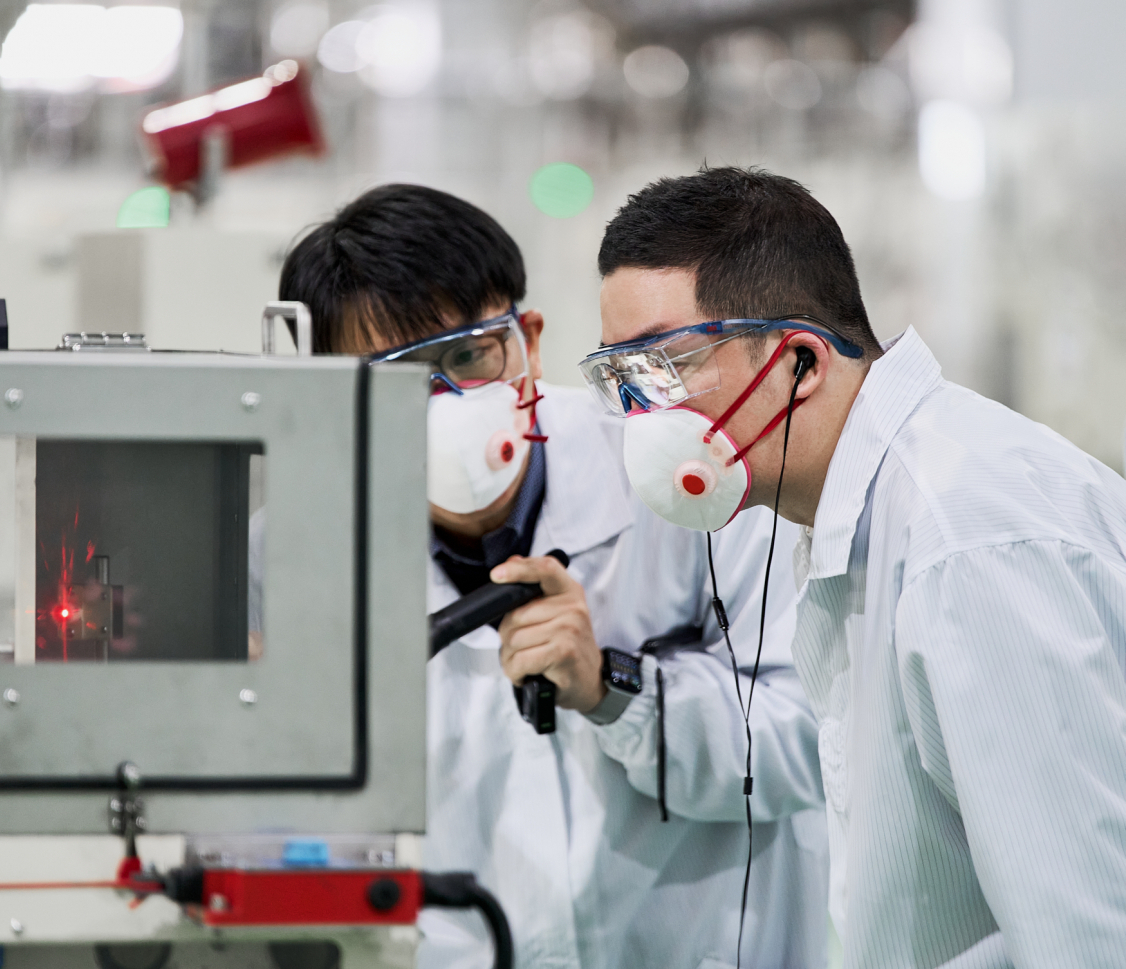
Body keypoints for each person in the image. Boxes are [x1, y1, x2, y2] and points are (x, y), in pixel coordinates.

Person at [266, 184, 829, 969]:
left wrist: (617, 688)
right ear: (336, 396)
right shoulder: (293, 557)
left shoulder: (687, 474)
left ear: (525, 339)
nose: (448, 402)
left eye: (469, 355)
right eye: (396, 378)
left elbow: (810, 740)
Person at [587, 166, 1126, 968]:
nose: (644, 413)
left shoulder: (965, 535)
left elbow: (1084, 931)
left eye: (668, 364)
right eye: (623, 376)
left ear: (800, 361)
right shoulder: (852, 516)